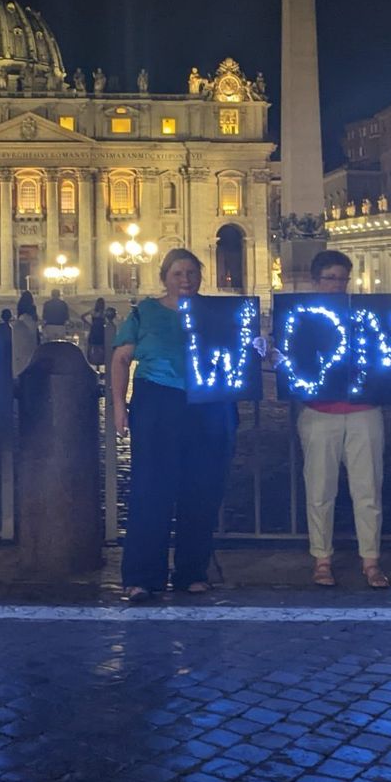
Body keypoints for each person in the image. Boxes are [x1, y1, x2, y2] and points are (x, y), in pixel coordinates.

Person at [109, 248, 234, 602]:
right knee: (151, 490)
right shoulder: (144, 312)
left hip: (207, 404)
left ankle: (191, 571)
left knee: (201, 489)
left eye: (192, 273)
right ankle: (141, 576)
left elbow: (237, 351)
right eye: (178, 273)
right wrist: (119, 405)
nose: (186, 280)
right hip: (158, 401)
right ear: (165, 277)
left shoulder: (215, 312)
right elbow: (120, 359)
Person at [294, 252, 391, 589]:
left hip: (363, 410)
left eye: (342, 279)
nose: (337, 285)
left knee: (368, 490)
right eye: (331, 278)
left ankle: (371, 560)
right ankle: (322, 559)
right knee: (320, 491)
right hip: (321, 411)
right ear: (316, 282)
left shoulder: (361, 315)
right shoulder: (304, 318)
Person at [82, 297, 109, 367]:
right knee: (101, 346)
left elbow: (82, 316)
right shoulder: (104, 312)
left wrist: (89, 323)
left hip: (94, 329)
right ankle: (101, 360)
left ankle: (90, 359)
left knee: (91, 345)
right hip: (101, 331)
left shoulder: (93, 311)